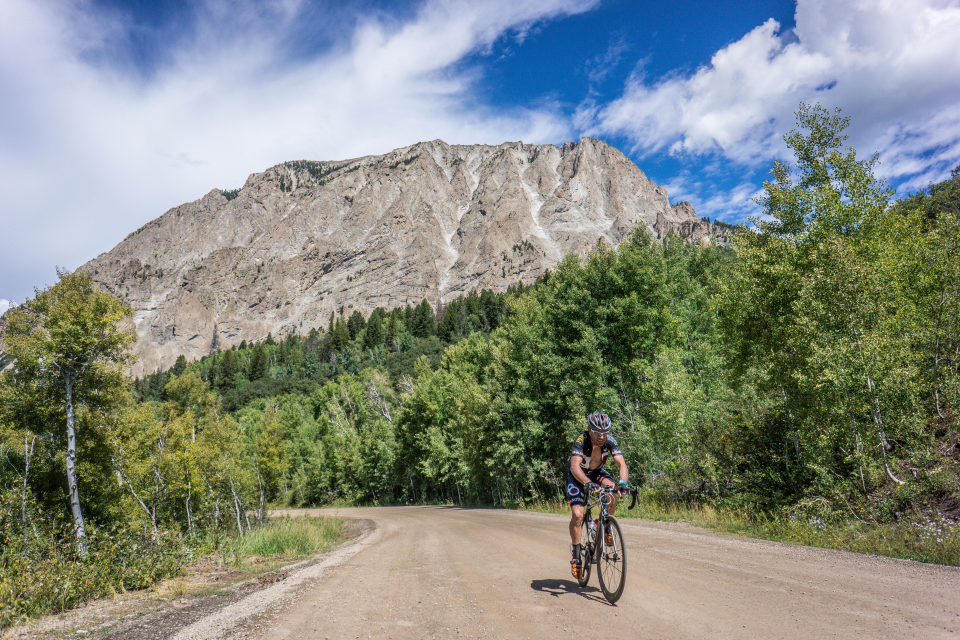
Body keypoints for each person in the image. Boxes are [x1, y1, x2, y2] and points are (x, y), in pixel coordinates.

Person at [567, 411, 629, 580]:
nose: (601, 436)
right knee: (578, 515)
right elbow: (574, 466)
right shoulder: (581, 440)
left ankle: (606, 526)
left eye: (605, 432)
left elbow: (621, 464)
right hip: (578, 475)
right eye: (597, 432)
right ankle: (575, 553)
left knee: (612, 490)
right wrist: (587, 483)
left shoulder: (610, 441)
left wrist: (623, 483)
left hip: (597, 473)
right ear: (589, 429)